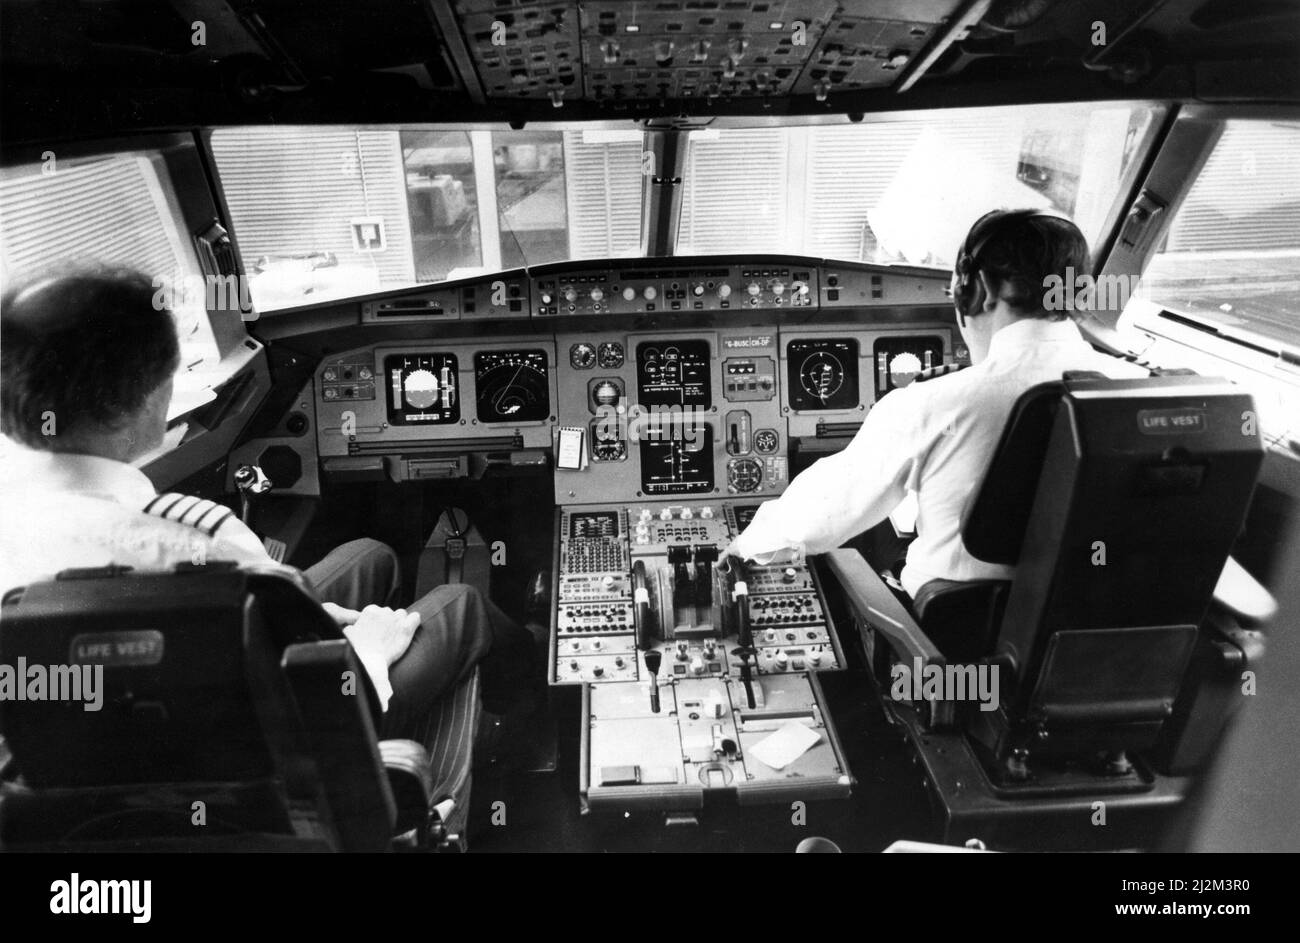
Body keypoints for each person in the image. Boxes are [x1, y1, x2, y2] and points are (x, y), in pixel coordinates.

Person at [0, 266, 522, 786]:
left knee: (370, 554)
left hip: (90, 768)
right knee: (461, 604)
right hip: (283, 749)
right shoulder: (197, 540)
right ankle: (527, 702)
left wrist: (306, 614)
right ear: (143, 395)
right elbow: (294, 699)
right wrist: (370, 647)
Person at [725, 209, 1148, 602]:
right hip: (1097, 644)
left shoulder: (933, 402)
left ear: (977, 289)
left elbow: (826, 512)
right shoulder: (1141, 389)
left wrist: (748, 543)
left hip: (951, 661)